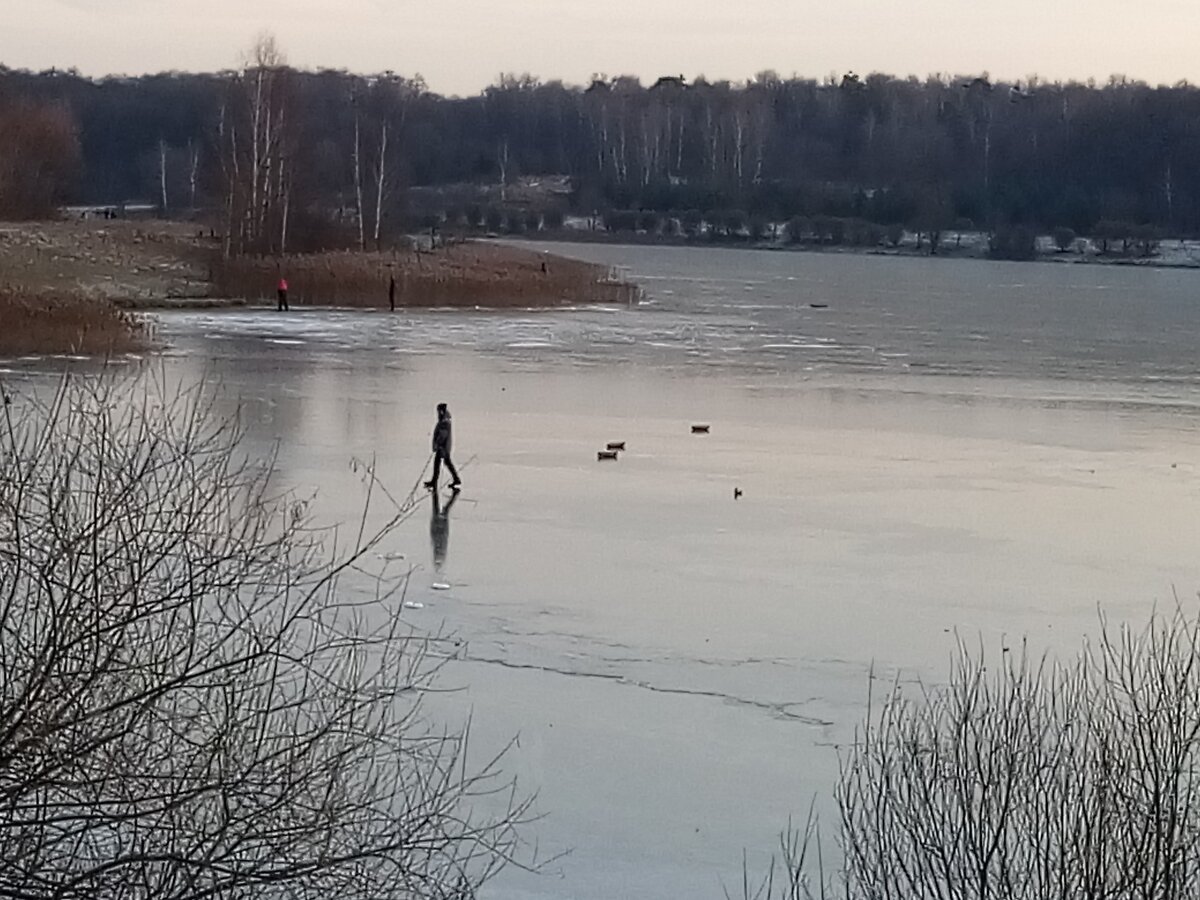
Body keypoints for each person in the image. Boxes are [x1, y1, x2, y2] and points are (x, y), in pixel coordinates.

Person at [424, 403, 461, 491]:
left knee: (438, 463)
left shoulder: (444, 422)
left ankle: (435, 481)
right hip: (444, 448)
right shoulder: (445, 419)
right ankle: (455, 479)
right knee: (446, 463)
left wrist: (438, 445)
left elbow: (443, 435)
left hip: (443, 448)